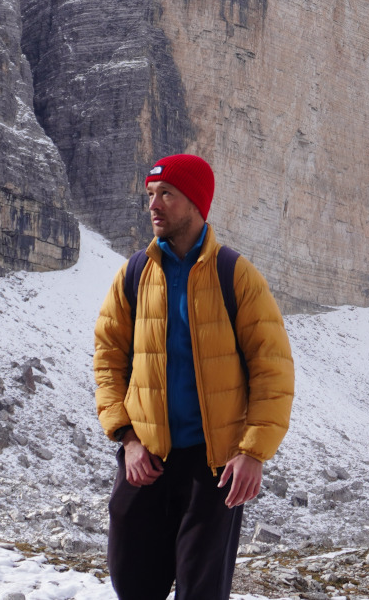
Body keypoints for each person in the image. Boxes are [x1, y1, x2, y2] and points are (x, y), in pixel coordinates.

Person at [93, 153, 294, 600]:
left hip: (214, 466)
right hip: (146, 460)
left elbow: (272, 370)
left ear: (196, 202)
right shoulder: (133, 275)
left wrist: (253, 453)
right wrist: (127, 439)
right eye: (150, 194)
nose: (154, 204)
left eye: (167, 194)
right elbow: (108, 361)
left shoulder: (235, 275)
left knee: (200, 592)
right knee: (131, 581)